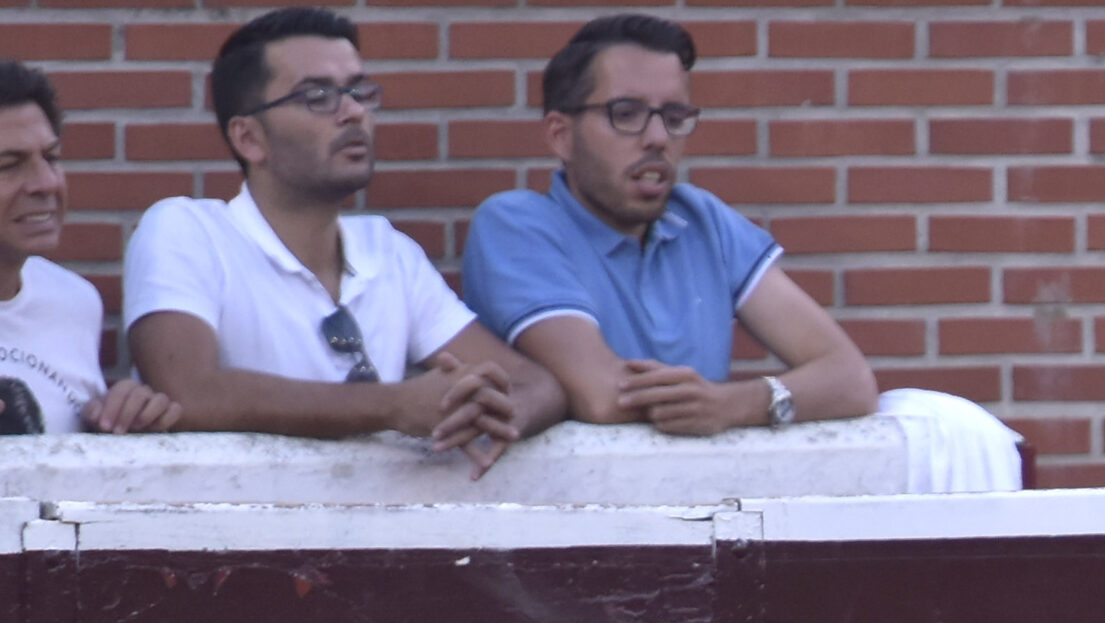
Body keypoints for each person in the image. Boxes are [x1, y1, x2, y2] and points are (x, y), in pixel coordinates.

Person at [464, 14, 1015, 489]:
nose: (657, 137)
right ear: (561, 134)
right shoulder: (517, 224)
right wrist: (744, 404)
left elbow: (848, 378)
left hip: (708, 520)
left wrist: (737, 405)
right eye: (626, 113)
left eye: (674, 117)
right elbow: (605, 398)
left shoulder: (702, 220)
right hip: (570, 528)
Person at [123, 9, 564, 477]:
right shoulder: (188, 230)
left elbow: (536, 383)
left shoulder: (388, 250)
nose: (353, 111)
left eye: (359, 91)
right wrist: (393, 406)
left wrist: (491, 416)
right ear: (249, 138)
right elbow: (187, 391)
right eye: (318, 97)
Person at [0, 62, 178, 435]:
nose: (46, 183)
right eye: (8, 165)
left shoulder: (74, 302)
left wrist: (118, 422)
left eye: (51, 158)